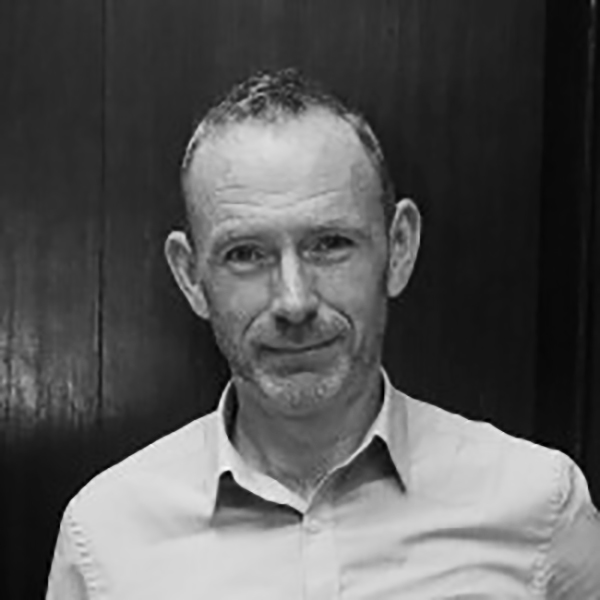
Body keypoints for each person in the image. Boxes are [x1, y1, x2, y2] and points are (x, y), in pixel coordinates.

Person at [46, 69, 600, 599]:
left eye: (330, 244)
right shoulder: (105, 538)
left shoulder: (540, 509)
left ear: (399, 248)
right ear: (191, 277)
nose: (294, 301)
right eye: (246, 254)